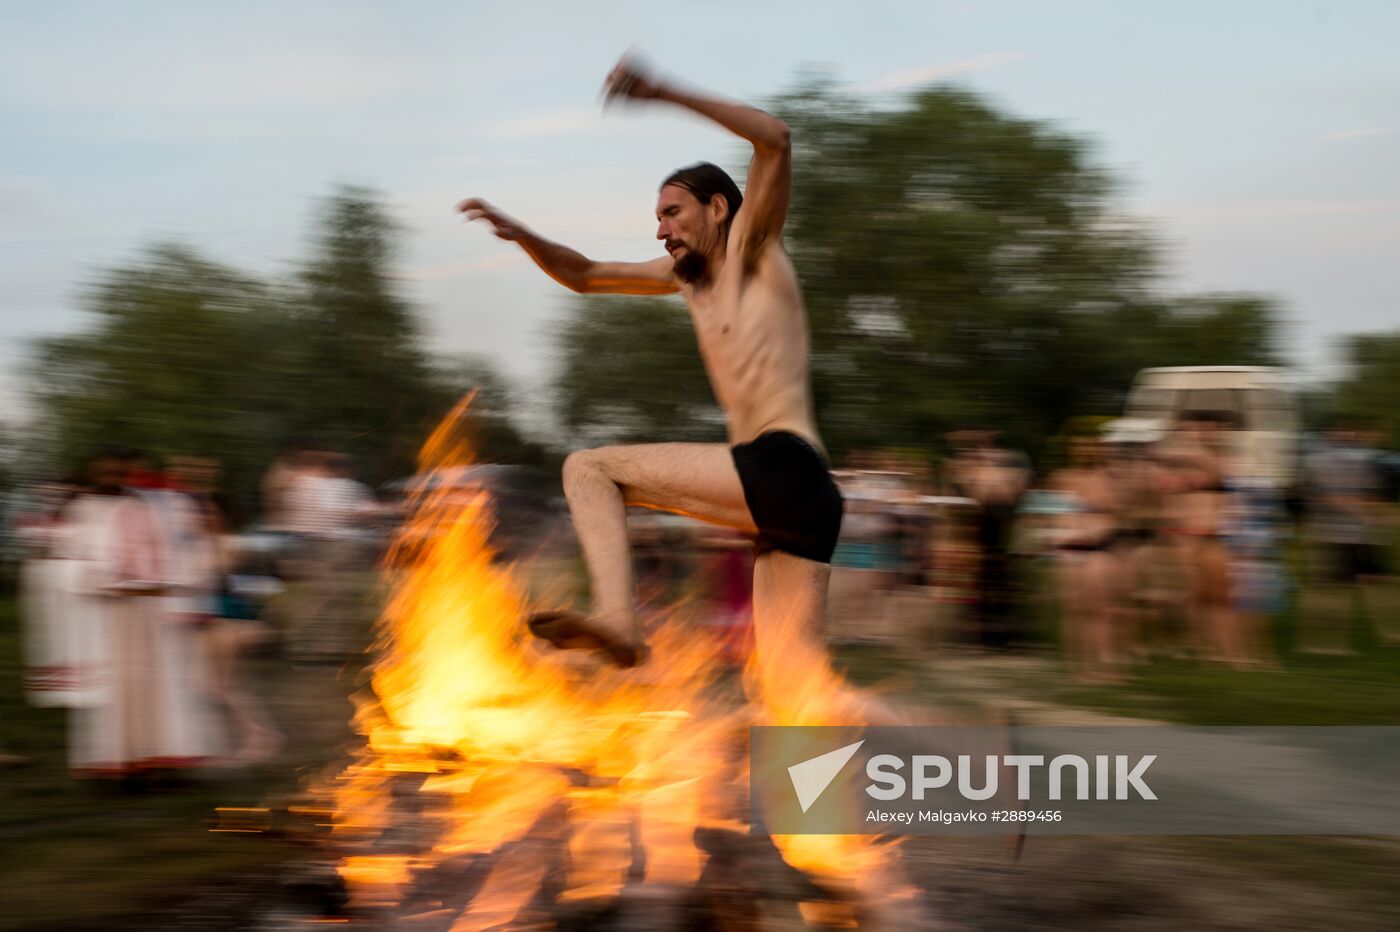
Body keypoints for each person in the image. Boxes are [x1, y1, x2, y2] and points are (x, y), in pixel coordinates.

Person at [457, 57, 848, 702]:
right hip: (796, 502)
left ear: (718, 208)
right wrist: (523, 235)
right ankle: (984, 761)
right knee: (801, 694)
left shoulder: (753, 249)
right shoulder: (682, 279)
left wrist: (665, 90)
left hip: (783, 465)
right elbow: (585, 275)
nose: (661, 229)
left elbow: (774, 137)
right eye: (658, 218)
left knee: (589, 468)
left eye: (672, 212)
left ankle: (618, 617)